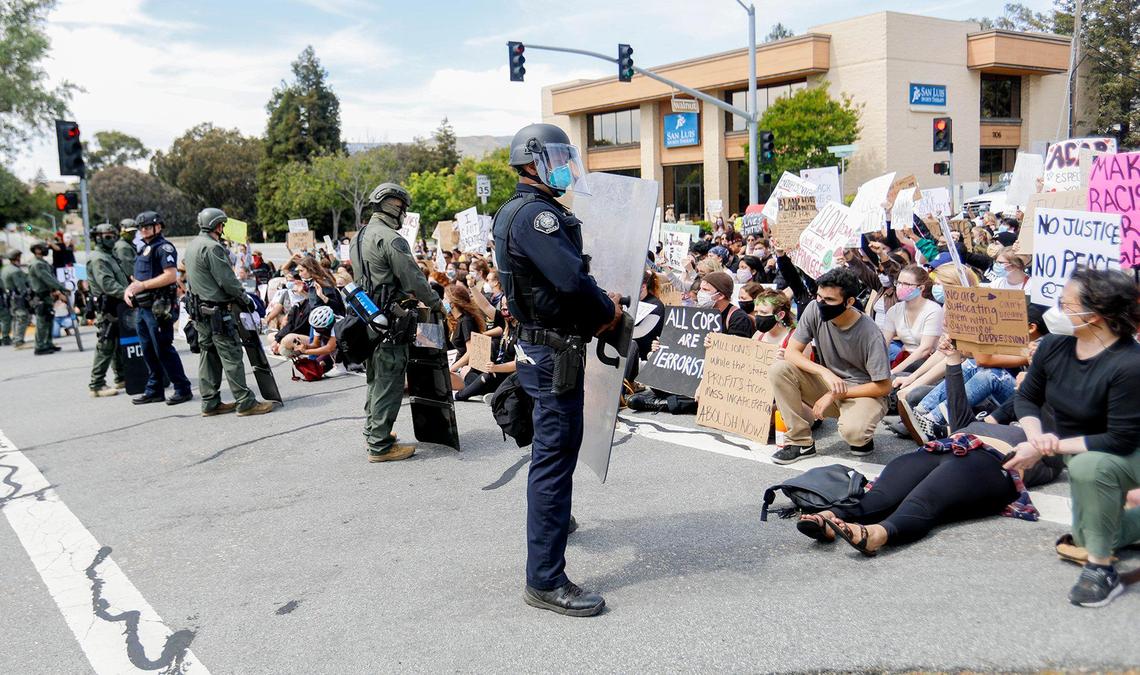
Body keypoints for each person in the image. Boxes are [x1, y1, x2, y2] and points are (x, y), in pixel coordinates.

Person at [495, 123, 622, 617]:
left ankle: (556, 519)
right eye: (557, 156)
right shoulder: (539, 217)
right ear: (533, 161)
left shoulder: (515, 210)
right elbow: (571, 281)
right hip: (552, 353)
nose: (565, 164)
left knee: (554, 454)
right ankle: (545, 579)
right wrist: (607, 312)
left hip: (539, 346)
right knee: (554, 459)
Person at [1004, 268, 1140, 607]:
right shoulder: (1053, 346)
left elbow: (1119, 440)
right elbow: (1027, 397)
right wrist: (1036, 437)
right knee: (1087, 532)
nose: (1057, 311)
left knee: (1090, 468)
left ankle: (1100, 570)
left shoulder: (1129, 364)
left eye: (1065, 304)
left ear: (1094, 316)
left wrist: (1044, 448)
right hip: (1084, 450)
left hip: (1127, 450)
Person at [350, 182, 443, 462]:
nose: (404, 214)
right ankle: (380, 445)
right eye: (403, 208)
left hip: (367, 317)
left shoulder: (360, 236)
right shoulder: (391, 239)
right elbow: (413, 279)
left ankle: (374, 431)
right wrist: (437, 303)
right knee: (389, 380)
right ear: (395, 206)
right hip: (391, 319)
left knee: (375, 377)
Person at [768, 267, 892, 464]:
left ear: (849, 302)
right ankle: (800, 442)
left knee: (855, 433)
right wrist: (824, 372)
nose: (821, 303)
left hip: (863, 392)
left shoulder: (870, 333)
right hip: (829, 383)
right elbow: (792, 352)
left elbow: (884, 386)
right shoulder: (813, 309)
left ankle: (861, 437)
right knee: (779, 369)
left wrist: (834, 394)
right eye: (819, 296)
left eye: (829, 300)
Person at [185, 208, 275, 418]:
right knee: (231, 355)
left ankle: (210, 402)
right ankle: (245, 402)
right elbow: (227, 281)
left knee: (209, 356)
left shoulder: (193, 246)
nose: (223, 228)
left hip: (200, 312)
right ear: (217, 225)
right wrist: (246, 300)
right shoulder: (213, 248)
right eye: (222, 225)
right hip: (217, 312)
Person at [123, 211, 193, 405]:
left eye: (147, 227)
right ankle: (154, 389)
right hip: (144, 307)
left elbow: (170, 275)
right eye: (141, 228)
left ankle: (182, 388)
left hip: (159, 307)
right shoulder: (144, 248)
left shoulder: (164, 248)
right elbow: (140, 278)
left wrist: (142, 286)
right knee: (147, 349)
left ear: (158, 226)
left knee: (163, 349)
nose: (143, 231)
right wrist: (130, 289)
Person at [86, 224, 128, 396]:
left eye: (113, 235)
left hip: (116, 304)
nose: (112, 239)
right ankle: (96, 384)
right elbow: (108, 284)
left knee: (117, 343)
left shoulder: (109, 256)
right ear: (98, 237)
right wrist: (127, 294)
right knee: (106, 344)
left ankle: (121, 378)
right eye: (107, 236)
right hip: (108, 305)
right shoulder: (98, 259)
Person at [881, 265, 943, 376]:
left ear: (921, 288)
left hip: (926, 363)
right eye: (898, 283)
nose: (900, 287)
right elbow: (883, 343)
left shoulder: (933, 310)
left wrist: (893, 372)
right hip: (904, 358)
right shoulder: (894, 310)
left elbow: (925, 349)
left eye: (906, 284)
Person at [26, 242, 66, 355]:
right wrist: (61, 287)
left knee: (48, 320)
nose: (46, 249)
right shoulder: (37, 264)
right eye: (43, 248)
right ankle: (40, 346)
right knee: (42, 322)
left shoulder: (42, 263)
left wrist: (56, 290)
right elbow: (47, 278)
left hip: (46, 295)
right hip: (40, 296)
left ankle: (48, 343)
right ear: (37, 250)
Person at [2, 251, 31, 350]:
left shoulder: (5, 269)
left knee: (15, 318)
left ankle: (15, 338)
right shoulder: (16, 271)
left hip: (9, 297)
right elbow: (21, 287)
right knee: (22, 317)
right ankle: (18, 340)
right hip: (18, 297)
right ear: (17, 257)